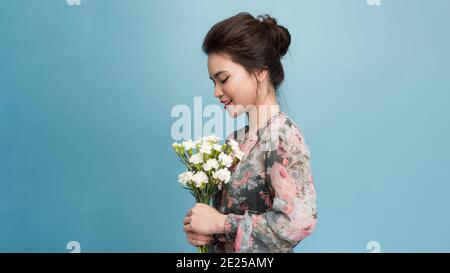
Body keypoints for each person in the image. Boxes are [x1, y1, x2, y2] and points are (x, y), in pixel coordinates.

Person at [182, 12, 317, 253]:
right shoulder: (234, 141)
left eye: (223, 79)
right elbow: (225, 226)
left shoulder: (282, 137)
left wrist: (221, 223)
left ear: (259, 71)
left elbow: (298, 223)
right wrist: (205, 232)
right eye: (213, 81)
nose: (216, 92)